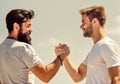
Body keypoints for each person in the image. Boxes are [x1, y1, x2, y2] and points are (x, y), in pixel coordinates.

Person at [0, 9, 69, 84]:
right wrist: (61, 57)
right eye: (28, 26)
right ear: (16, 27)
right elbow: (46, 76)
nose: (31, 30)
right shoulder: (23, 48)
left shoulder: (1, 48)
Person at [55, 6, 120, 84]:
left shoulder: (106, 45)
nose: (81, 26)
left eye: (84, 22)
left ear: (94, 21)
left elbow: (117, 78)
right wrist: (64, 56)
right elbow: (78, 76)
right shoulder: (96, 48)